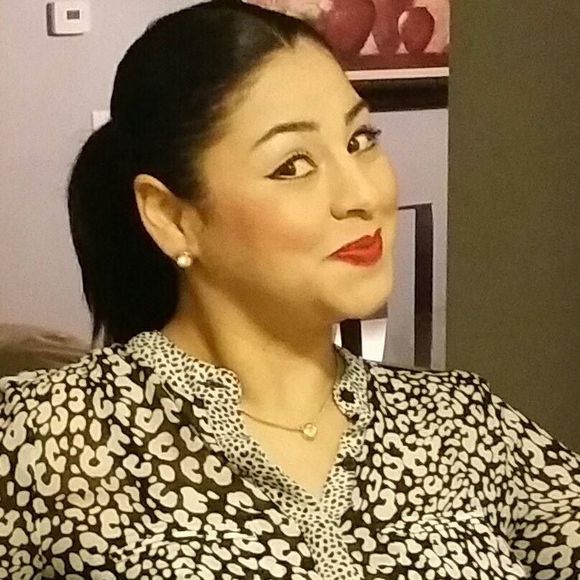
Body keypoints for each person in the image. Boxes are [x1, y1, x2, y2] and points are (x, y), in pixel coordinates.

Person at [0, 1, 578, 578]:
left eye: (360, 139)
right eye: (293, 165)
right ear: (173, 217)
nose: (363, 196)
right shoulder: (48, 439)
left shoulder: (461, 424)